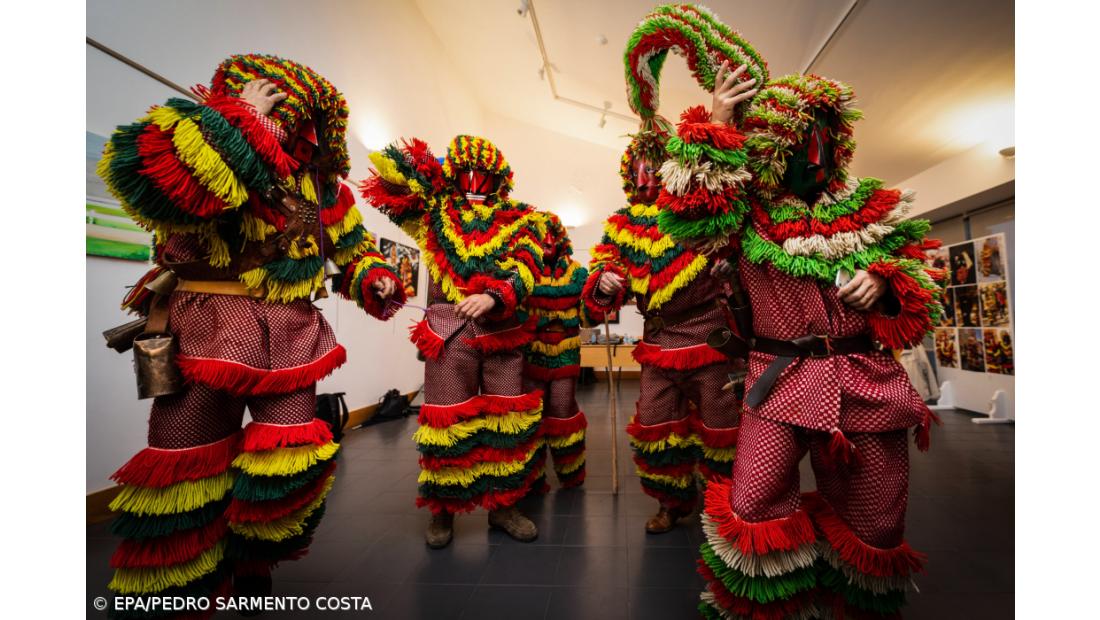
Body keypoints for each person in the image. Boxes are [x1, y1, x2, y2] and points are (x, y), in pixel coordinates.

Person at [97, 54, 404, 613]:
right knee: (184, 467)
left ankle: (254, 573)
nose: (295, 124)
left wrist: (376, 279)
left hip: (292, 337)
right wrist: (238, 121)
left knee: (285, 469)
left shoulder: (324, 188)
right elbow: (153, 183)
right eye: (283, 108)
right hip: (202, 330)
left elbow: (353, 254)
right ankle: (188, 590)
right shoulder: (194, 130)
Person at [677, 65, 947, 620]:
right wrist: (720, 122)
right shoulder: (745, 213)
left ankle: (856, 608)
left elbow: (922, 287)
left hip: (865, 383)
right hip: (778, 382)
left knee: (875, 518)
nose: (815, 157)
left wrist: (886, 281)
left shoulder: (872, 212)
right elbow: (692, 212)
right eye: (801, 142)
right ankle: (767, 610)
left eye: (825, 139)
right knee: (753, 504)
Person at [580, 66, 757, 534]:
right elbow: (604, 264)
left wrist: (718, 122)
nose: (646, 174)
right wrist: (604, 283)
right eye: (639, 165)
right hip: (657, 340)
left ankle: (722, 502)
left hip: (710, 335)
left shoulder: (695, 205)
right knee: (656, 425)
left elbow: (721, 191)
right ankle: (672, 501)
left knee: (722, 426)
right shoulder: (622, 222)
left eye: (654, 164)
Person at [361, 135, 545, 548]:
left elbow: (526, 266)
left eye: (486, 178)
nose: (476, 185)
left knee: (506, 427)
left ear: (500, 180)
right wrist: (423, 168)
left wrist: (494, 295)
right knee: (445, 423)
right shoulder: (432, 213)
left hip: (503, 333)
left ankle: (504, 508)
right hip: (447, 332)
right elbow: (388, 191)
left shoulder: (521, 219)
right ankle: (443, 511)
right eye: (466, 175)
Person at [523, 211, 590, 491]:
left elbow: (589, 314)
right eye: (541, 235)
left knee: (562, 410)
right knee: (532, 413)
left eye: (553, 234)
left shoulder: (577, 273)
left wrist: (603, 296)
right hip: (531, 353)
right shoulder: (523, 271)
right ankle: (533, 477)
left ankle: (570, 472)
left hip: (565, 352)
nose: (548, 240)